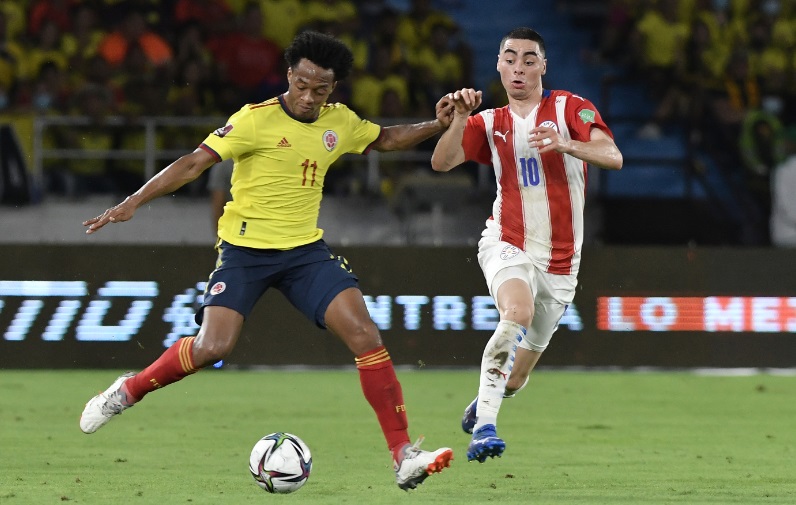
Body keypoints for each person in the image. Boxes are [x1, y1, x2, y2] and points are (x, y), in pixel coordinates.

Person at [79, 30, 454, 491]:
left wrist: (437, 124)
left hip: (304, 253)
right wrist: (134, 201)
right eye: (302, 85)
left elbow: (388, 139)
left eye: (320, 89)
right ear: (289, 75)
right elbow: (194, 162)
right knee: (212, 347)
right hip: (245, 252)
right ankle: (128, 391)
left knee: (365, 334)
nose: (309, 97)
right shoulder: (254, 120)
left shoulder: (340, 121)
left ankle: (403, 456)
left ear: (333, 88)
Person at [431, 27, 623, 463]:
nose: (519, 67)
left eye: (529, 60)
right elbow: (442, 162)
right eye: (510, 58)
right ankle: (485, 429)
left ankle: (487, 397)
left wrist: (566, 144)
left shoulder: (569, 108)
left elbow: (613, 155)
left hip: (561, 264)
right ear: (499, 65)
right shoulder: (489, 121)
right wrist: (460, 118)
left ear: (543, 67)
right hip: (507, 240)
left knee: (515, 379)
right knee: (516, 312)